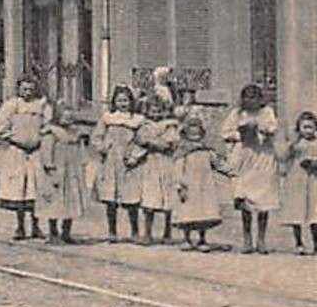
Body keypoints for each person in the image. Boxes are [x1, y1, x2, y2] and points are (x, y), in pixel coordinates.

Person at [221, 83, 279, 254]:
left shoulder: (267, 112)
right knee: (245, 198)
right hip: (244, 156)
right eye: (247, 97)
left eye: (254, 97)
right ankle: (247, 238)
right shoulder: (237, 114)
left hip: (262, 156)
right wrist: (241, 133)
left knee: (263, 198)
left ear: (260, 99)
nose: (250, 100)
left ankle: (261, 238)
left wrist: (262, 130)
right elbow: (225, 132)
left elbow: (273, 128)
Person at [0, 77, 52, 240]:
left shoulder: (41, 106)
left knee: (35, 189)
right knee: (19, 189)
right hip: (17, 153)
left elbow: (48, 126)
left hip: (36, 153)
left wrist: (40, 139)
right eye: (24, 89)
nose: (28, 92)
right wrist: (14, 138)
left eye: (31, 89)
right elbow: (0, 127)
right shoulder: (12, 105)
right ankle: (20, 226)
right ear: (18, 89)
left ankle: (36, 226)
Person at [91, 84, 144, 240]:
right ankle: (112, 231)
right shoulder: (108, 118)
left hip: (128, 162)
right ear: (114, 102)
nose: (123, 104)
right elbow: (97, 136)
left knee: (131, 198)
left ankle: (135, 231)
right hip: (111, 161)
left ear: (131, 102)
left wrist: (136, 156)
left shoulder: (136, 120)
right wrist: (101, 147)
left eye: (126, 101)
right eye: (119, 100)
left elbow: (142, 140)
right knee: (110, 199)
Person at [173, 114, 227, 250]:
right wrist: (180, 185)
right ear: (185, 134)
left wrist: (231, 171)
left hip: (205, 186)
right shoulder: (183, 151)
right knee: (187, 212)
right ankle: (187, 239)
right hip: (189, 187)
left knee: (203, 212)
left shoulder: (207, 150)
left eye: (197, 132)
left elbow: (217, 163)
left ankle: (202, 239)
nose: (195, 136)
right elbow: (178, 169)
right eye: (191, 132)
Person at [281, 111, 317, 255]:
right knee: (298, 210)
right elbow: (284, 157)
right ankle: (299, 243)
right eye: (304, 127)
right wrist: (290, 146)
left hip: (315, 179)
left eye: (311, 127)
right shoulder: (296, 143)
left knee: (314, 211)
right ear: (299, 129)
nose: (308, 131)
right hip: (297, 179)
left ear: (316, 128)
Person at [37, 109, 90, 244]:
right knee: (55, 201)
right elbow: (46, 152)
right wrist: (49, 167)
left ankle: (66, 232)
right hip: (57, 170)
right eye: (65, 118)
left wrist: (83, 165)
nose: (68, 120)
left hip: (73, 171)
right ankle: (53, 232)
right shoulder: (51, 132)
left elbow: (82, 150)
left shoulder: (76, 133)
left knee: (71, 201)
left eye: (70, 118)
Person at [135, 89, 180, 244]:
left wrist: (159, 143)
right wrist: (153, 143)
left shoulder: (170, 126)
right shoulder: (144, 125)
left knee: (167, 197)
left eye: (159, 111)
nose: (156, 114)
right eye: (152, 111)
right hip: (150, 164)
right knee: (150, 198)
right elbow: (141, 140)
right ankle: (148, 232)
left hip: (166, 163)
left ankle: (167, 232)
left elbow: (172, 142)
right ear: (147, 111)